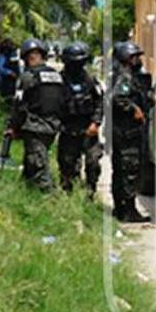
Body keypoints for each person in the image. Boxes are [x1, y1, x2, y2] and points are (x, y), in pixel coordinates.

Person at [7, 38, 64, 191]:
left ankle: (51, 200)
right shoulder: (56, 75)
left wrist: (13, 127)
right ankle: (25, 192)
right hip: (52, 126)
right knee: (31, 163)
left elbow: (18, 105)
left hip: (35, 126)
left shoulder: (27, 77)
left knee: (39, 167)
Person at [108, 41, 152, 223]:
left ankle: (120, 209)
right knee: (130, 170)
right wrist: (135, 109)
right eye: (134, 57)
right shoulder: (124, 77)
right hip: (128, 133)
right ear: (126, 59)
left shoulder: (123, 75)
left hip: (123, 132)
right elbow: (118, 98)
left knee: (121, 170)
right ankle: (128, 211)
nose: (138, 60)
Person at [57, 42, 103, 196]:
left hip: (88, 129)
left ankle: (90, 192)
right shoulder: (59, 81)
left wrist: (95, 123)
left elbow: (99, 103)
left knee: (93, 163)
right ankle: (69, 196)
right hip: (68, 129)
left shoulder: (90, 80)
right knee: (68, 166)